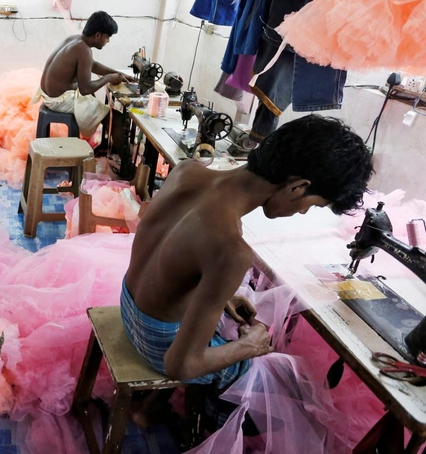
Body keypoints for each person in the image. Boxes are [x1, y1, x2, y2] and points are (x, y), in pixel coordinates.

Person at [122, 115, 373, 391]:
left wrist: (222, 292)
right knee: (271, 384)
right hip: (156, 345)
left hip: (128, 307)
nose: (303, 211)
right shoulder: (231, 249)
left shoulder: (187, 170)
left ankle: (149, 410)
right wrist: (248, 346)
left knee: (226, 330)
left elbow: (176, 258)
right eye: (313, 205)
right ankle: (187, 420)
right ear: (297, 187)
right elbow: (180, 365)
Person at [39, 11, 128, 138]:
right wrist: (108, 78)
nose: (107, 41)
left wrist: (117, 73)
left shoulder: (75, 40)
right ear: (98, 35)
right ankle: (122, 157)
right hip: (57, 101)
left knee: (94, 98)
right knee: (117, 119)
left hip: (48, 94)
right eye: (107, 37)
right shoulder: (84, 50)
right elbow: (85, 89)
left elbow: (93, 65)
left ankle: (106, 143)